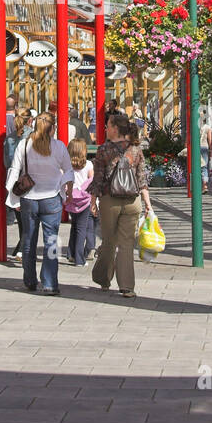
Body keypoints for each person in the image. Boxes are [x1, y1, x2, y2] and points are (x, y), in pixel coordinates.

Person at [5, 112, 73, 294]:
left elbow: (14, 169)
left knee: (28, 240)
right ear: (52, 127)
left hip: (29, 198)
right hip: (51, 197)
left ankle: (29, 279)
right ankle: (50, 282)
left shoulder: (25, 144)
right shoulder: (58, 146)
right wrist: (69, 191)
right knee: (51, 240)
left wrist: (13, 196)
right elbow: (68, 171)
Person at [90, 112, 151, 298]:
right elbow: (142, 180)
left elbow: (98, 179)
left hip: (110, 200)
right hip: (133, 201)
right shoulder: (135, 149)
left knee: (109, 242)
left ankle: (103, 278)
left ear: (115, 129)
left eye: (108, 125)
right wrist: (148, 204)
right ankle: (127, 286)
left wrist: (93, 201)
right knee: (126, 244)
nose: (105, 128)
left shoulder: (104, 150)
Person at [4, 109, 33, 256]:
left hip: (15, 181)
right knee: (29, 218)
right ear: (30, 120)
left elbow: (6, 162)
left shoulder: (9, 139)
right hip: (30, 180)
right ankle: (23, 247)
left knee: (20, 216)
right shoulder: (33, 137)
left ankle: (21, 245)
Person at [65, 138, 95, 266]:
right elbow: (92, 181)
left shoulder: (67, 165)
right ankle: (79, 258)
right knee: (81, 229)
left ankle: (71, 254)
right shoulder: (88, 165)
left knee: (74, 226)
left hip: (71, 199)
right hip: (85, 201)